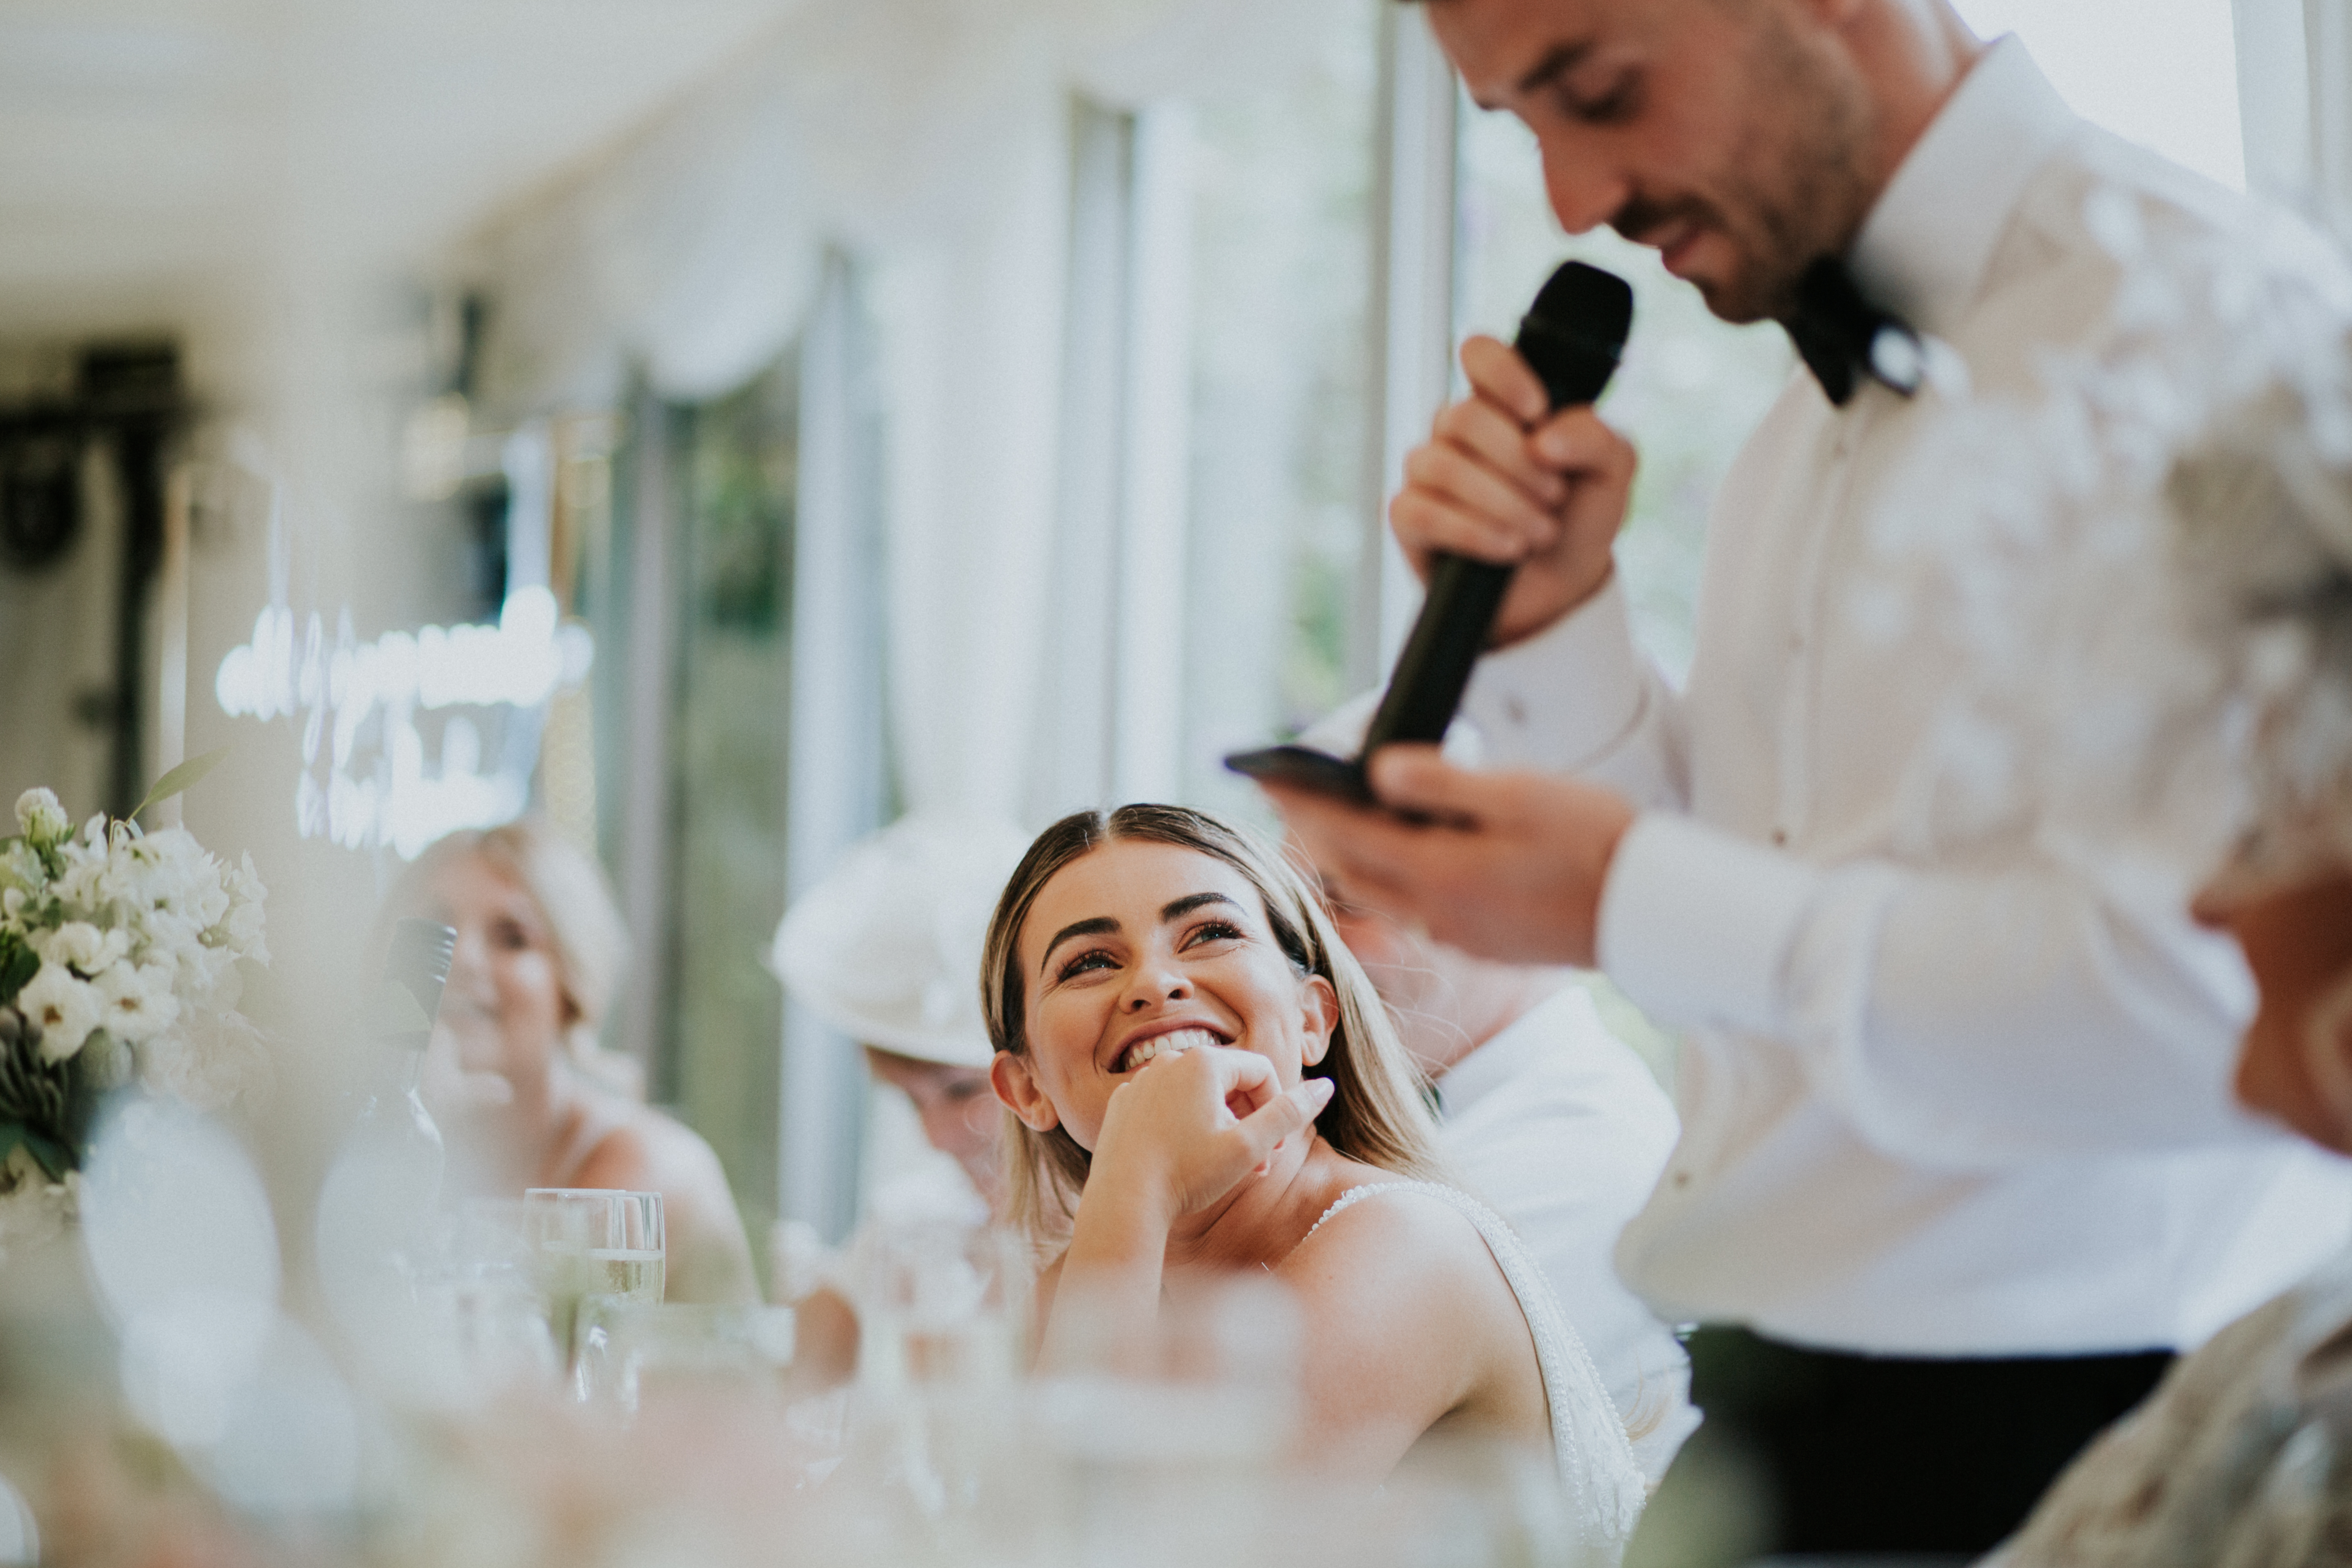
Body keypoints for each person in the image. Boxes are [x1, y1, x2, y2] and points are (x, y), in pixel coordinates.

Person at [1263, 0, 2352, 1554]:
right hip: (1786, 1405)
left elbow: (2213, 998)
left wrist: (1629, 893)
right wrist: (1560, 628)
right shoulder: (1793, 430)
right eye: (1524, 128)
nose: (1577, 201)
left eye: (1595, 89)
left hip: (2078, 1432)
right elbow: (1769, 920)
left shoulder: (2208, 340)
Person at [984, 804, 1647, 1551]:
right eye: (1089, 963)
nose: (1156, 982)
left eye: (1210, 933)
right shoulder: (1085, 1278)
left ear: (1312, 1020)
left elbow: (1108, 1552)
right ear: (1026, 1089)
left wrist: (1134, 1177)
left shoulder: (1404, 1249)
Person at [1298, 697, 1692, 1477]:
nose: (1301, 946)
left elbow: (1261, 1448)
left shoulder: (1578, 1158)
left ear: (1510, 906)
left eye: (1342, 901)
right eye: (1283, 903)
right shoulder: (1415, 1112)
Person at [390, 819, 759, 1305]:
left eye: (512, 938)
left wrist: (409, 1118)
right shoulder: (410, 1139)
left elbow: (530, 1352)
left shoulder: (640, 1163)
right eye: (435, 934)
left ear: (570, 987)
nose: (463, 959)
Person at [768, 813, 1033, 1381]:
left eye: (960, 1090)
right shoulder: (921, 1223)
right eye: (910, 1101)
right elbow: (785, 1383)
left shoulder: (1130, 1235)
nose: (934, 1136)